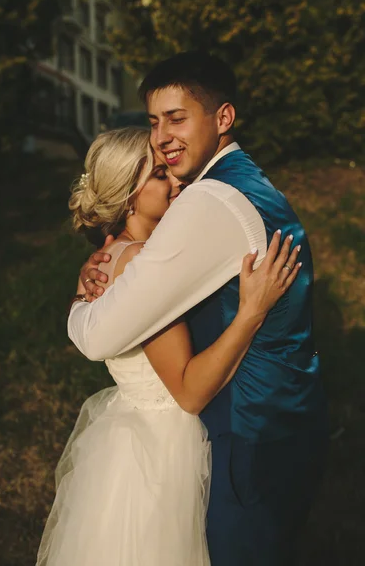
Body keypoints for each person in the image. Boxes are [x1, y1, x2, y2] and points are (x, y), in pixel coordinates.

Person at [69, 52, 328, 566]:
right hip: (278, 426)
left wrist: (83, 299)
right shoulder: (250, 183)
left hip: (244, 437)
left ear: (223, 118)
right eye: (154, 122)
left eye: (178, 118)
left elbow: (96, 337)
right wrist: (93, 279)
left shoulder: (206, 202)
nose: (163, 137)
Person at [37, 127, 300, 566]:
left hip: (127, 435)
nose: (177, 181)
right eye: (159, 174)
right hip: (164, 449)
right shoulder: (139, 263)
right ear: (128, 196)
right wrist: (252, 310)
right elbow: (189, 391)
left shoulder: (109, 258)